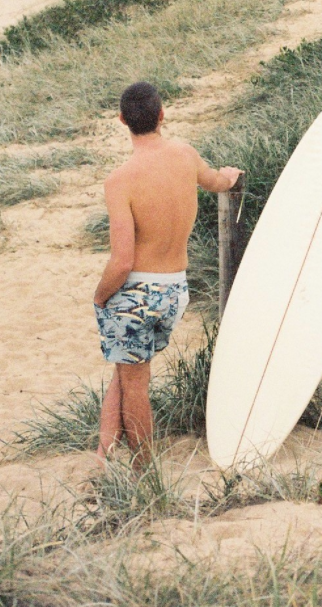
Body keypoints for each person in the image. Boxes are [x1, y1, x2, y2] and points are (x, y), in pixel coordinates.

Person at [93, 81, 241, 469]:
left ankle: (144, 472)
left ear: (123, 120)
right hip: (175, 290)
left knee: (135, 381)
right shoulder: (185, 155)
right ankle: (102, 455)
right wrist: (229, 175)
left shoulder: (119, 180)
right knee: (127, 370)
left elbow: (122, 262)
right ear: (162, 115)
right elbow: (219, 182)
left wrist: (99, 296)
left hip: (137, 292)